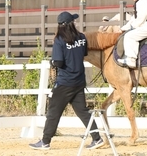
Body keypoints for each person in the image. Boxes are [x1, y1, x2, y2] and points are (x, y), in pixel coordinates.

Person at [29, 11, 103, 151]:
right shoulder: (82, 37)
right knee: (83, 111)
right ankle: (97, 138)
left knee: (53, 112)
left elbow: (58, 62)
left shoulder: (59, 40)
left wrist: (51, 62)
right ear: (71, 24)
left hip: (65, 82)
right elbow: (84, 53)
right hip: (79, 81)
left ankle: (45, 141)